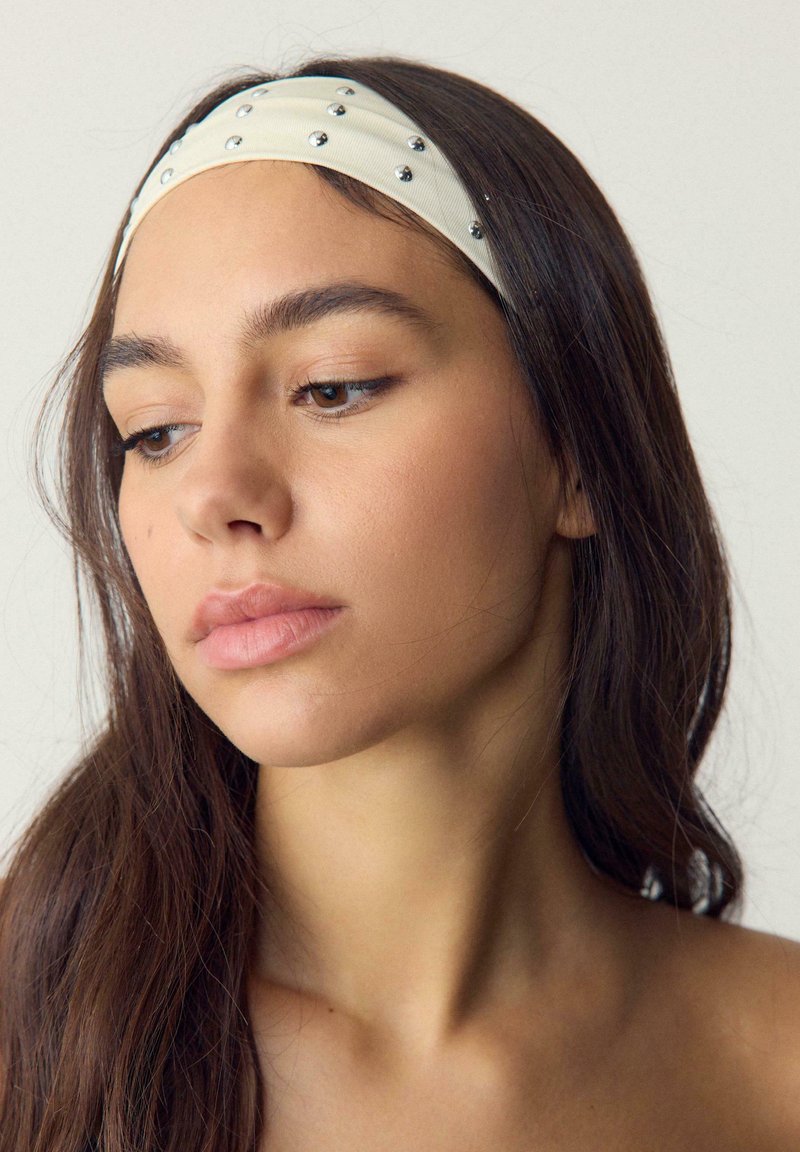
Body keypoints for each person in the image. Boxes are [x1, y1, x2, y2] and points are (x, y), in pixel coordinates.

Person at [1, 52, 798, 1152]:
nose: (215, 496)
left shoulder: (775, 1066)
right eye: (156, 430)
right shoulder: (28, 1050)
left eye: (332, 387)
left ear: (578, 452)